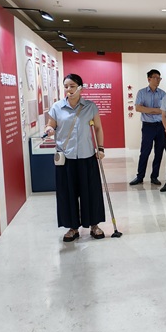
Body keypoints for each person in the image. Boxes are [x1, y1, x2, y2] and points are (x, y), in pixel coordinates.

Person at [44, 73, 106, 242]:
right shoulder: (57, 107)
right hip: (66, 158)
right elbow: (51, 125)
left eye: (72, 86)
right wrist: (49, 129)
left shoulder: (90, 107)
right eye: (66, 86)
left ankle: (94, 225)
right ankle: (72, 228)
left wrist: (100, 148)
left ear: (80, 88)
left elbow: (98, 128)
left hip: (87, 156)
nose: (69, 89)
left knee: (91, 192)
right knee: (68, 193)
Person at [130, 69, 166, 186]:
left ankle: (154, 176)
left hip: (160, 126)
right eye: (155, 78)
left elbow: (164, 111)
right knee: (145, 152)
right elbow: (138, 108)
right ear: (149, 79)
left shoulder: (163, 94)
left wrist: (148, 109)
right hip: (148, 126)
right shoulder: (141, 92)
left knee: (159, 152)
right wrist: (156, 110)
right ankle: (140, 176)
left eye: (159, 78)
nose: (158, 80)